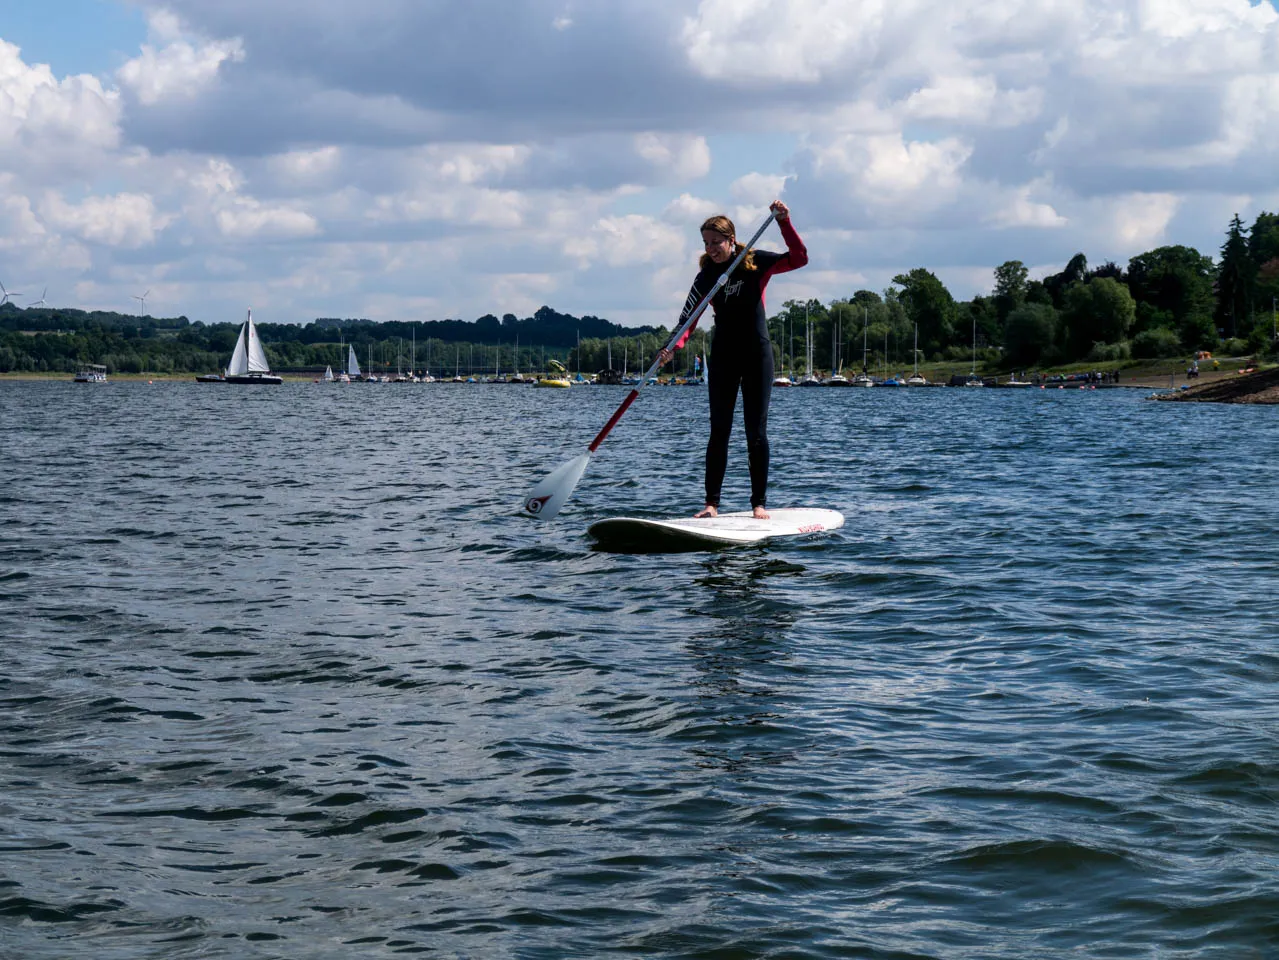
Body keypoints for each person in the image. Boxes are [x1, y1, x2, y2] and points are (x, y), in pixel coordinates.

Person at [658, 199, 807, 519]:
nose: (711, 249)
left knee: (756, 431)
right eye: (706, 244)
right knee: (719, 430)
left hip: (757, 355)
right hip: (724, 356)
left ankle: (759, 504)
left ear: (731, 239)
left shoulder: (753, 261)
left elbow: (799, 259)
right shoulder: (706, 277)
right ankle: (711, 504)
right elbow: (688, 320)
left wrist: (784, 222)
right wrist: (671, 347)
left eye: (716, 242)